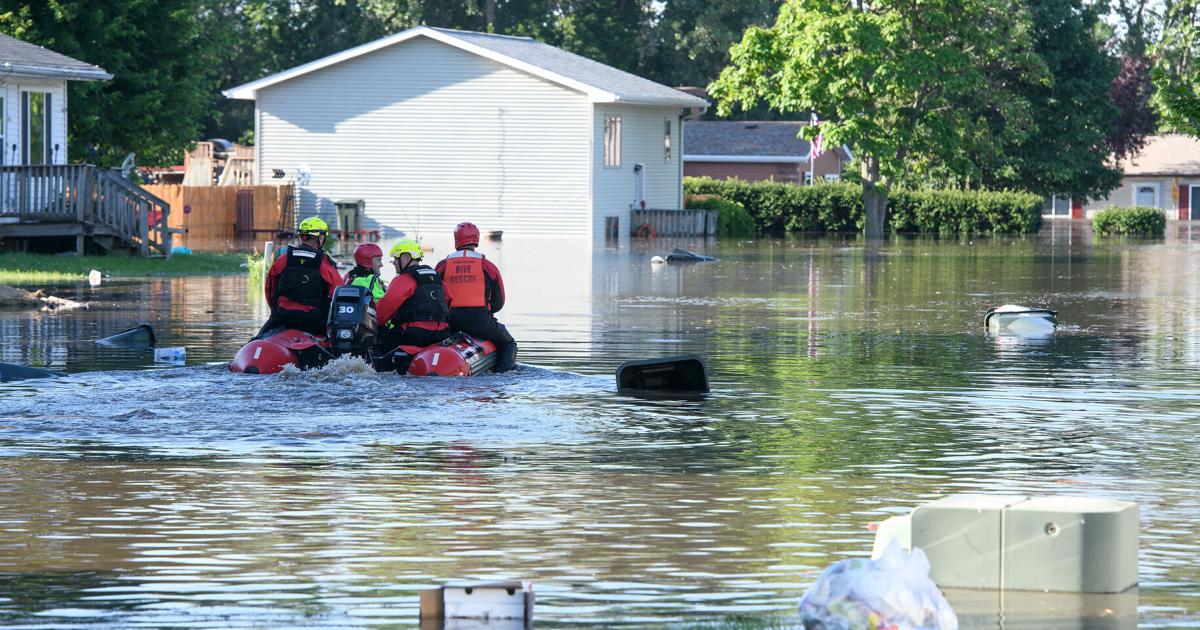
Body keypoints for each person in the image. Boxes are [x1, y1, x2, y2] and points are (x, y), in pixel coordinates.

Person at [434, 222, 517, 372]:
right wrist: (488, 312)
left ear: (456, 240)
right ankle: (503, 374)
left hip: (450, 321)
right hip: (480, 320)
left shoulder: (443, 265)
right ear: (476, 239)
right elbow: (499, 300)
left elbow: (434, 294)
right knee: (508, 343)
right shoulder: (487, 266)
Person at [373, 239, 451, 372]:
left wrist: (374, 325)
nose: (395, 264)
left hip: (414, 336)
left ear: (407, 257)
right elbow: (449, 299)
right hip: (441, 334)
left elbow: (383, 311)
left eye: (396, 259)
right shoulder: (437, 277)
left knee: (378, 343)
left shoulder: (404, 279)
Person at [259, 216, 343, 337]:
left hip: (282, 316)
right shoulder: (324, 263)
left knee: (257, 339)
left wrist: (277, 309)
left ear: (302, 236)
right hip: (313, 320)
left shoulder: (283, 259)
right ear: (319, 238)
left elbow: (270, 288)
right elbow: (338, 292)